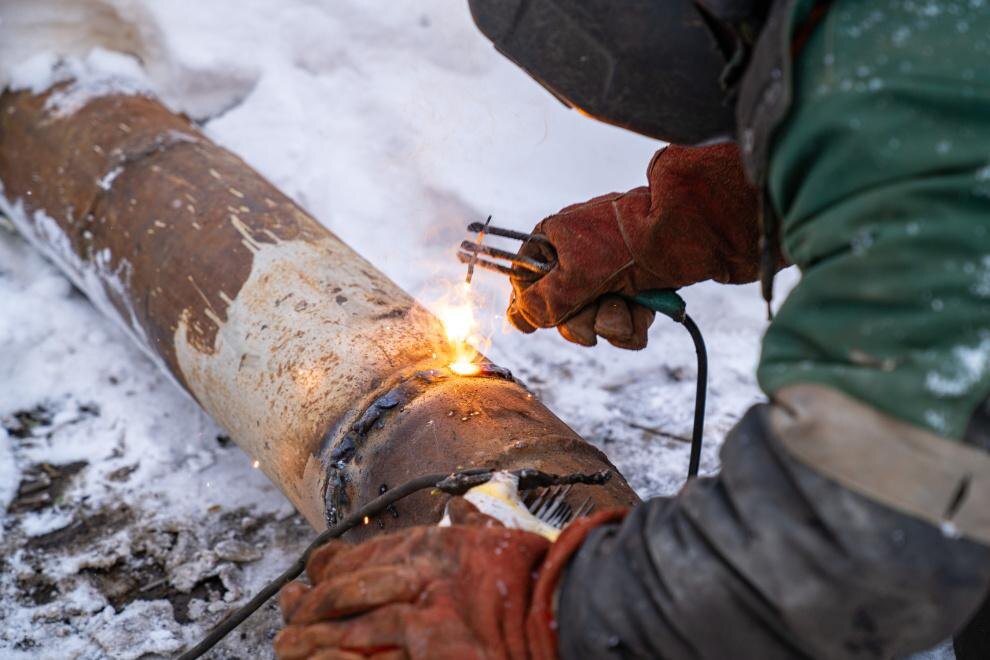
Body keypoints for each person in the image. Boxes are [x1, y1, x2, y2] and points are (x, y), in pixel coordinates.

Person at [274, 2, 990, 658]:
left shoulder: (918, 82)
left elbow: (866, 524)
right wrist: (693, 217)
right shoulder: (896, 43)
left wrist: (554, 613)